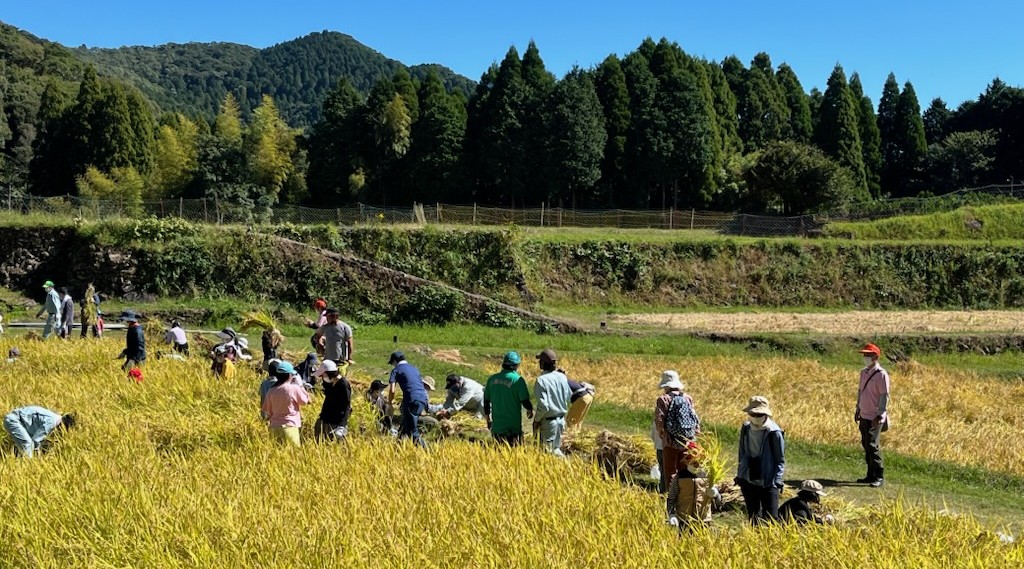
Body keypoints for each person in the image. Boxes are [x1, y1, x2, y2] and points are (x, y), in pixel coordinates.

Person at [735, 395, 785, 525]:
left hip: (768, 480)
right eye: (753, 414)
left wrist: (777, 480)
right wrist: (740, 475)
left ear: (765, 415)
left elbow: (780, 460)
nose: (756, 417)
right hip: (749, 477)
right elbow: (742, 453)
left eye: (759, 414)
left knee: (772, 518)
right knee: (753, 516)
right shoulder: (746, 428)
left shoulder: (774, 432)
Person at [654, 371, 699, 489]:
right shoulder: (687, 398)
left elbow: (659, 420)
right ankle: (684, 494)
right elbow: (695, 417)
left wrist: (662, 434)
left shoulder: (663, 399)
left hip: (670, 441)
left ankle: (671, 496)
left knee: (670, 471)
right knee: (684, 470)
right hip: (687, 441)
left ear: (666, 386)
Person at [855, 343, 891, 488]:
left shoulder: (881, 374)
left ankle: (879, 475)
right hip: (864, 413)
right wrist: (858, 408)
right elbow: (860, 392)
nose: (866, 358)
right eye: (864, 355)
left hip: (875, 416)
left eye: (868, 355)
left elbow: (884, 396)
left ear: (876, 357)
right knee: (866, 444)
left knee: (872, 445)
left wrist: (880, 414)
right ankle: (870, 474)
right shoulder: (864, 372)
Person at [483, 351, 534, 446]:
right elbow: (525, 401)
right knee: (515, 455)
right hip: (513, 427)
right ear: (516, 365)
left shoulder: (492, 379)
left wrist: (488, 419)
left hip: (497, 427)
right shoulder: (518, 380)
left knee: (498, 453)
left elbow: (486, 402)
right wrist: (530, 409)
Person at [666, 442, 717, 530]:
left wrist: (715, 494)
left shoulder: (708, 476)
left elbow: (718, 501)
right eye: (691, 460)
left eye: (697, 461)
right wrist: (672, 515)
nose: (695, 464)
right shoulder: (679, 477)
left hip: (703, 521)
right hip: (684, 521)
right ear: (686, 461)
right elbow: (671, 498)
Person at [261, 360, 310, 446]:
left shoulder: (271, 391)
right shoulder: (294, 388)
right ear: (289, 375)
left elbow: (267, 411)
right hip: (290, 426)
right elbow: (306, 401)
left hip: (274, 427)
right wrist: (301, 385)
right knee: (293, 455)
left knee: (277, 456)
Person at [532, 349, 571, 455]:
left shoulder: (541, 380)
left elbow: (544, 406)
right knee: (555, 449)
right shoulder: (562, 377)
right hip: (561, 421)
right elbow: (568, 396)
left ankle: (567, 468)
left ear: (543, 363)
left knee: (547, 452)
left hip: (549, 422)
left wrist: (536, 420)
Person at [387, 351, 429, 448]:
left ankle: (428, 452)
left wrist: (389, 403)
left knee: (412, 431)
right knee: (404, 426)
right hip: (422, 398)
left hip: (411, 400)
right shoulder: (414, 369)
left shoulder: (396, 370)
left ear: (394, 361)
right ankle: (396, 449)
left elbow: (392, 390)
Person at [3, 406, 76, 458]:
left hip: (16, 421)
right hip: (13, 421)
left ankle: (23, 463)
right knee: (27, 443)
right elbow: (36, 440)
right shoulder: (52, 422)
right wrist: (38, 455)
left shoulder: (55, 418)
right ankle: (27, 466)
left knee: (27, 444)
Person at [313, 360, 352, 442]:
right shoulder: (328, 383)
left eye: (323, 375)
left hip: (336, 423)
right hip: (325, 419)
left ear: (329, 373)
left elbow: (346, 406)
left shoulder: (343, 385)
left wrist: (342, 425)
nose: (322, 378)